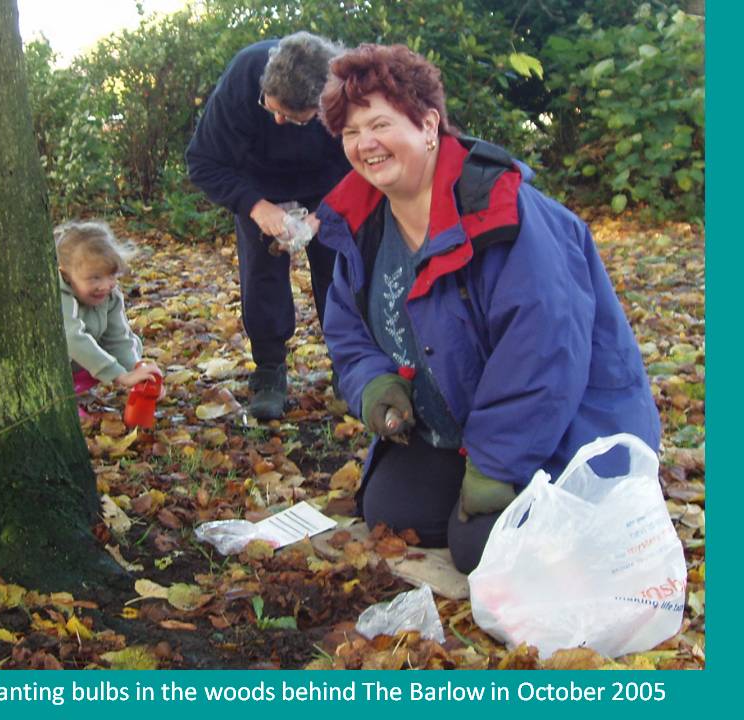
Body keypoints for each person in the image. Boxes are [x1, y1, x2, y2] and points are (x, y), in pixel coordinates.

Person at [314, 44, 661, 573]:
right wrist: (374, 384)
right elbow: (346, 329)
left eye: (380, 125)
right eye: (351, 133)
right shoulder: (361, 222)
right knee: (390, 511)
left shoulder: (502, 212)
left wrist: (496, 464)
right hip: (455, 427)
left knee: (481, 551)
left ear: (429, 125)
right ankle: (483, 481)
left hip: (569, 425)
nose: (366, 145)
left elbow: (545, 354)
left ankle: (556, 499)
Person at [186, 31, 352, 420]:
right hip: (258, 185)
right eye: (271, 108)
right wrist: (255, 206)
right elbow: (203, 161)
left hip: (327, 187)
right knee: (261, 275)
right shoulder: (245, 75)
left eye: (291, 119)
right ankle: (269, 371)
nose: (277, 119)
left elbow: (362, 167)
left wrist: (324, 215)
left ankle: (350, 367)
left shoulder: (347, 93)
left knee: (341, 276)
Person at [55, 220, 162, 418]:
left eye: (111, 275)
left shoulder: (111, 295)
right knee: (76, 347)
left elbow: (119, 338)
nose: (105, 285)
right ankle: (60, 400)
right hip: (56, 366)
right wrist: (119, 375)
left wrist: (137, 373)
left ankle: (73, 392)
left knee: (133, 345)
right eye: (94, 278)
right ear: (66, 275)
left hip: (81, 366)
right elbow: (71, 338)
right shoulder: (60, 296)